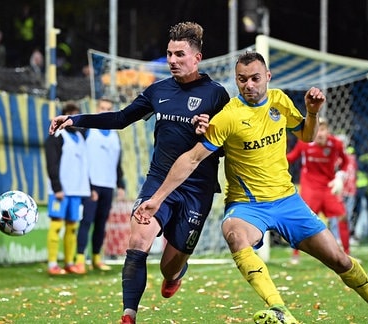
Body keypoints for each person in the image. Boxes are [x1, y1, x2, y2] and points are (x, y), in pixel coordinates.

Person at [133, 52, 368, 324]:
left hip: (288, 202)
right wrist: (157, 198)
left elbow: (307, 136)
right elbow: (192, 158)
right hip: (247, 207)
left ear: (268, 78)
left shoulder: (280, 101)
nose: (248, 85)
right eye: (242, 80)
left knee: (340, 260)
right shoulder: (228, 117)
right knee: (234, 233)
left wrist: (312, 113)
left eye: (254, 78)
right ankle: (279, 309)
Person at [48, 22, 230, 324]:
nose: (172, 60)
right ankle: (128, 315)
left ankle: (175, 274)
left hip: (197, 191)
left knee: (169, 268)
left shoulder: (217, 95)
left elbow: (227, 147)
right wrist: (75, 118)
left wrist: (211, 133)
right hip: (158, 182)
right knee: (138, 242)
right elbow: (121, 118)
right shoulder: (158, 91)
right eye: (169, 54)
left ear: (197, 58)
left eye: (180, 54)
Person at [287, 118, 351, 262]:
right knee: (302, 220)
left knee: (342, 216)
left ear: (328, 131)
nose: (320, 133)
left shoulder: (336, 144)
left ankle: (347, 253)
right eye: (317, 130)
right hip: (310, 188)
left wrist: (340, 176)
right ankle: (295, 254)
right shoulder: (304, 143)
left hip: (328, 188)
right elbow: (291, 158)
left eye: (323, 129)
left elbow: (346, 162)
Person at [74, 98, 126, 274]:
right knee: (87, 221)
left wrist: (120, 184)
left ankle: (96, 257)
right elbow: (81, 159)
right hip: (91, 184)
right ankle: (80, 258)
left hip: (108, 184)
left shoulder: (114, 135)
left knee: (101, 223)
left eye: (108, 108)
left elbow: (117, 162)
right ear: (96, 109)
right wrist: (88, 186)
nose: (105, 111)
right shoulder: (88, 131)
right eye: (102, 108)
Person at [44, 102, 91, 276]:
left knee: (72, 227)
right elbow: (51, 163)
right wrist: (57, 187)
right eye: (72, 116)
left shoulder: (80, 137)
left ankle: (69, 262)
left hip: (77, 191)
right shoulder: (57, 136)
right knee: (56, 225)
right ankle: (52, 263)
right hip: (60, 191)